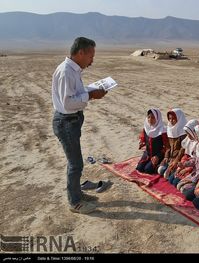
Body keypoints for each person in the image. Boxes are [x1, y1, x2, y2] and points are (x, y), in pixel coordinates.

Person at [52, 37, 107, 214]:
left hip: (72, 121)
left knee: (76, 162)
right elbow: (68, 103)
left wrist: (91, 90)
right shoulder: (67, 71)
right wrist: (91, 96)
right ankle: (75, 202)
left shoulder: (73, 70)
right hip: (66, 122)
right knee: (75, 164)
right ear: (81, 52)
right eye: (91, 56)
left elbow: (75, 95)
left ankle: (78, 194)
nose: (92, 60)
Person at [136, 108, 168, 174]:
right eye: (149, 117)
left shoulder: (162, 131)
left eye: (153, 118)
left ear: (157, 118)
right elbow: (143, 139)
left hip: (158, 154)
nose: (150, 120)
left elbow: (167, 147)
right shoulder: (146, 128)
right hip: (147, 153)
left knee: (148, 170)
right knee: (139, 168)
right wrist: (142, 143)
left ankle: (159, 165)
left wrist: (158, 156)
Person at [157, 108, 187, 178]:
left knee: (166, 175)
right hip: (170, 157)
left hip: (179, 158)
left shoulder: (183, 130)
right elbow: (168, 146)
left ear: (179, 118)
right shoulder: (170, 128)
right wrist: (166, 156)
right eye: (169, 119)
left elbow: (183, 149)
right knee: (160, 170)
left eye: (173, 118)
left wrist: (176, 160)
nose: (171, 121)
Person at [168, 119, 199, 187]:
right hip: (185, 163)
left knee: (175, 183)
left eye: (189, 133)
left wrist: (186, 168)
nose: (188, 135)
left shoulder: (198, 143)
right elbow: (185, 154)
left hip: (193, 167)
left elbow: (197, 161)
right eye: (187, 133)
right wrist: (181, 165)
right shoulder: (188, 139)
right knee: (170, 179)